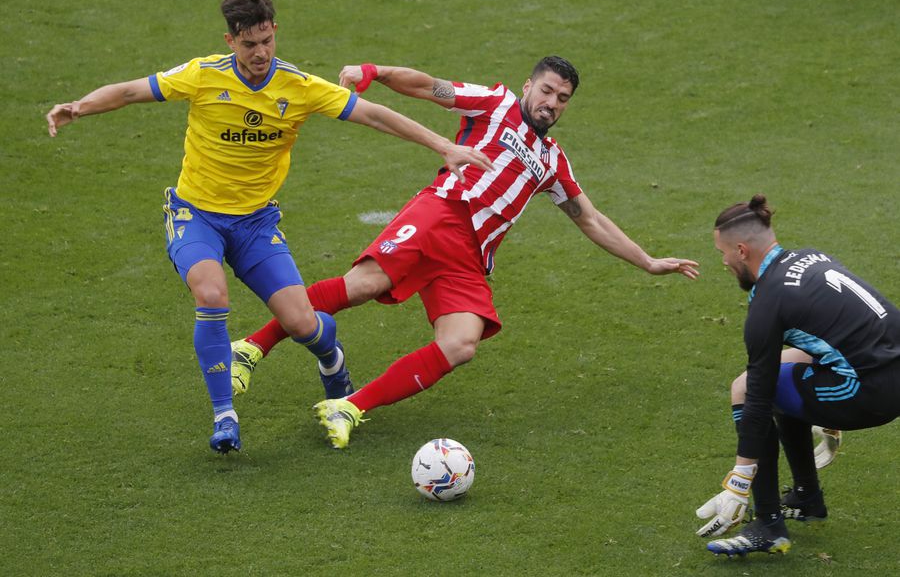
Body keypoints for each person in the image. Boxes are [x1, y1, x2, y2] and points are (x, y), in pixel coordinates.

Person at [45, 0, 491, 455]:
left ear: (274, 33)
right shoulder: (202, 75)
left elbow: (375, 115)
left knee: (303, 324)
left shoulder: (297, 87)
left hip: (256, 225)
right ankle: (224, 417)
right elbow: (132, 90)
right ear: (230, 41)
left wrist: (443, 146)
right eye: (248, 45)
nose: (259, 53)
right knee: (211, 292)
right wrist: (81, 106)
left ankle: (331, 359)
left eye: (266, 42)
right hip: (195, 216)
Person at [228, 57, 701, 449]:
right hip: (442, 212)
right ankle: (251, 347)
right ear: (528, 86)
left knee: (460, 345)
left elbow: (590, 219)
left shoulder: (553, 162)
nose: (552, 103)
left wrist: (647, 261)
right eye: (547, 91)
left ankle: (348, 407)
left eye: (562, 99)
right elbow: (430, 87)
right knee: (364, 286)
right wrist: (375, 72)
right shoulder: (495, 103)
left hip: (471, 256)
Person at [696, 194, 900, 557]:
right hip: (888, 368)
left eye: (723, 254)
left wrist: (739, 480)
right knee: (784, 376)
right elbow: (833, 335)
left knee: (745, 388)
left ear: (741, 250)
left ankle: (769, 526)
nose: (724, 262)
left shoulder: (768, 302)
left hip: (871, 391)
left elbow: (756, 395)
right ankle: (807, 497)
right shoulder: (810, 257)